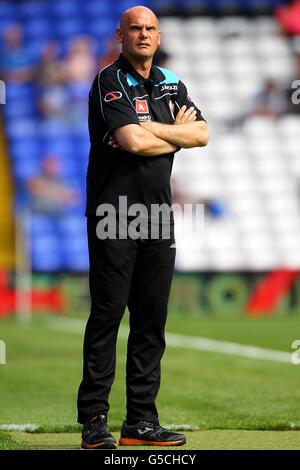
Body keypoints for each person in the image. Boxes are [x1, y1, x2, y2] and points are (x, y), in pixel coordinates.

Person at [77, 5, 209, 449]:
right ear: (121, 35)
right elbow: (130, 142)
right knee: (108, 317)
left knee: (151, 322)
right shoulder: (108, 80)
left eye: (150, 28)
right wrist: (171, 130)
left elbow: (203, 134)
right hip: (112, 212)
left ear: (159, 33)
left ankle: (141, 422)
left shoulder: (173, 82)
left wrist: (146, 128)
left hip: (158, 215)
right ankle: (95, 421)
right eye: (135, 28)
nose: (144, 34)